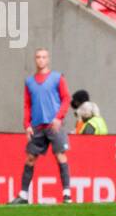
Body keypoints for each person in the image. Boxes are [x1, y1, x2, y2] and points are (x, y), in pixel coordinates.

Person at [11, 47, 73, 204]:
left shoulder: (57, 78)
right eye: (38, 57)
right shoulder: (29, 82)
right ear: (35, 59)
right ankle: (23, 195)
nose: (41, 60)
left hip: (54, 125)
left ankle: (66, 194)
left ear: (48, 59)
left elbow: (66, 99)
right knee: (30, 158)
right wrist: (27, 125)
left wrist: (59, 118)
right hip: (37, 126)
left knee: (60, 156)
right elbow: (27, 104)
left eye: (44, 57)